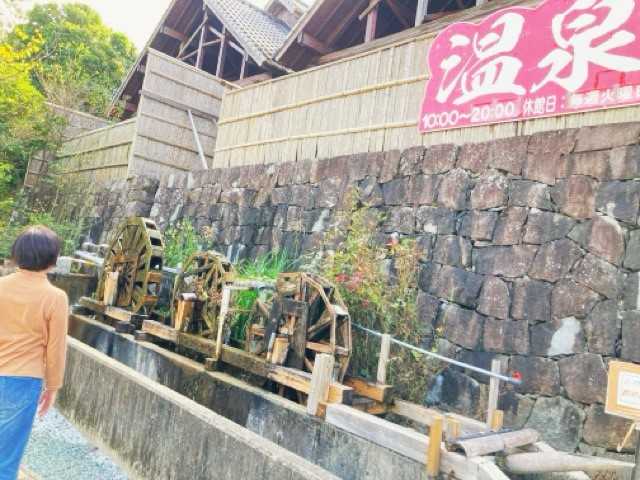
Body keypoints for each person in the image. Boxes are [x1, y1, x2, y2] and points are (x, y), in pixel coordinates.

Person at [0, 226, 69, 479]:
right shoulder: (55, 297)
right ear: (52, 259)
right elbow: (56, 348)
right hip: (23, 379)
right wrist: (53, 386)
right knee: (6, 456)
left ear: (17, 253)